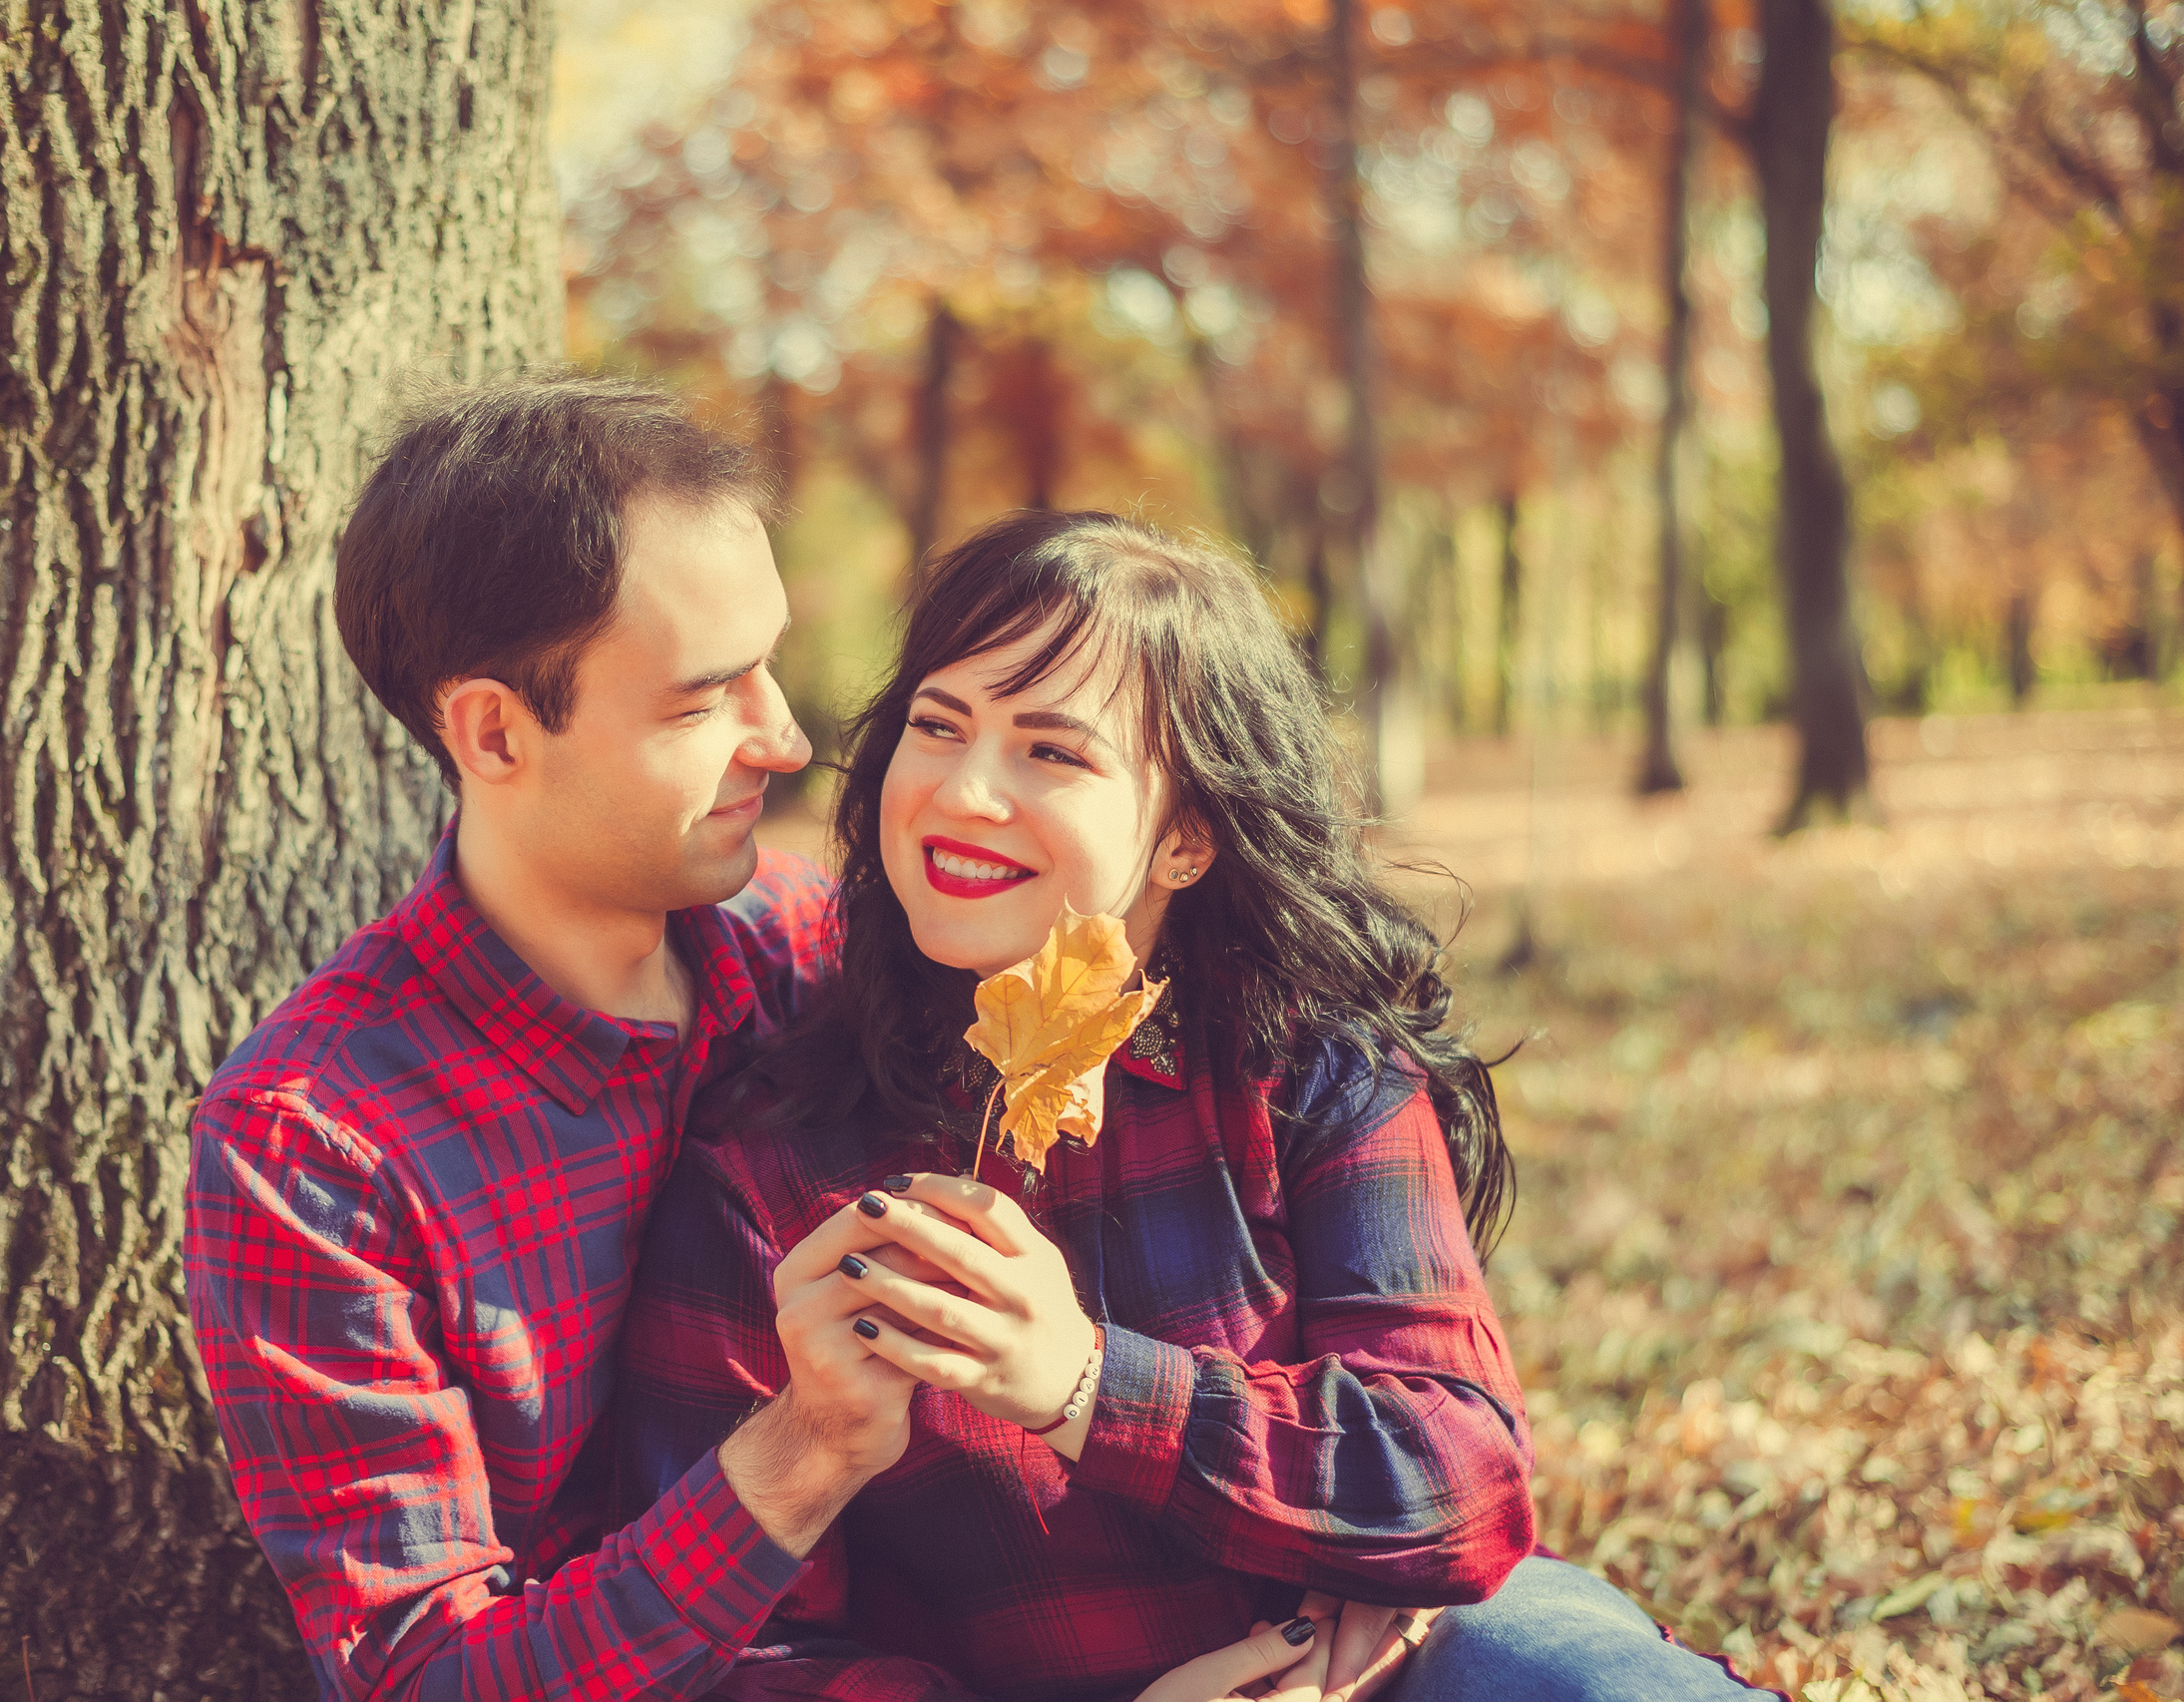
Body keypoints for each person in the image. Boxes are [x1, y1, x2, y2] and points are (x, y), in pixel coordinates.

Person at [615, 511, 1784, 1702]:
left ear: (1185, 836)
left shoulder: (1310, 1066)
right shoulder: (775, 1162)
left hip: (1407, 1664)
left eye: (1051, 751)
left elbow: (1462, 1478)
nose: (963, 790)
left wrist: (1080, 1381)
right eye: (937, 725)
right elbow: (748, 1651)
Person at [184, 374, 896, 1701]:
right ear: (495, 731)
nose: (787, 738)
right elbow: (426, 1676)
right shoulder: (317, 1145)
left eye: (771, 663)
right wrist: (802, 1449)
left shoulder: (814, 951)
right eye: (702, 700)